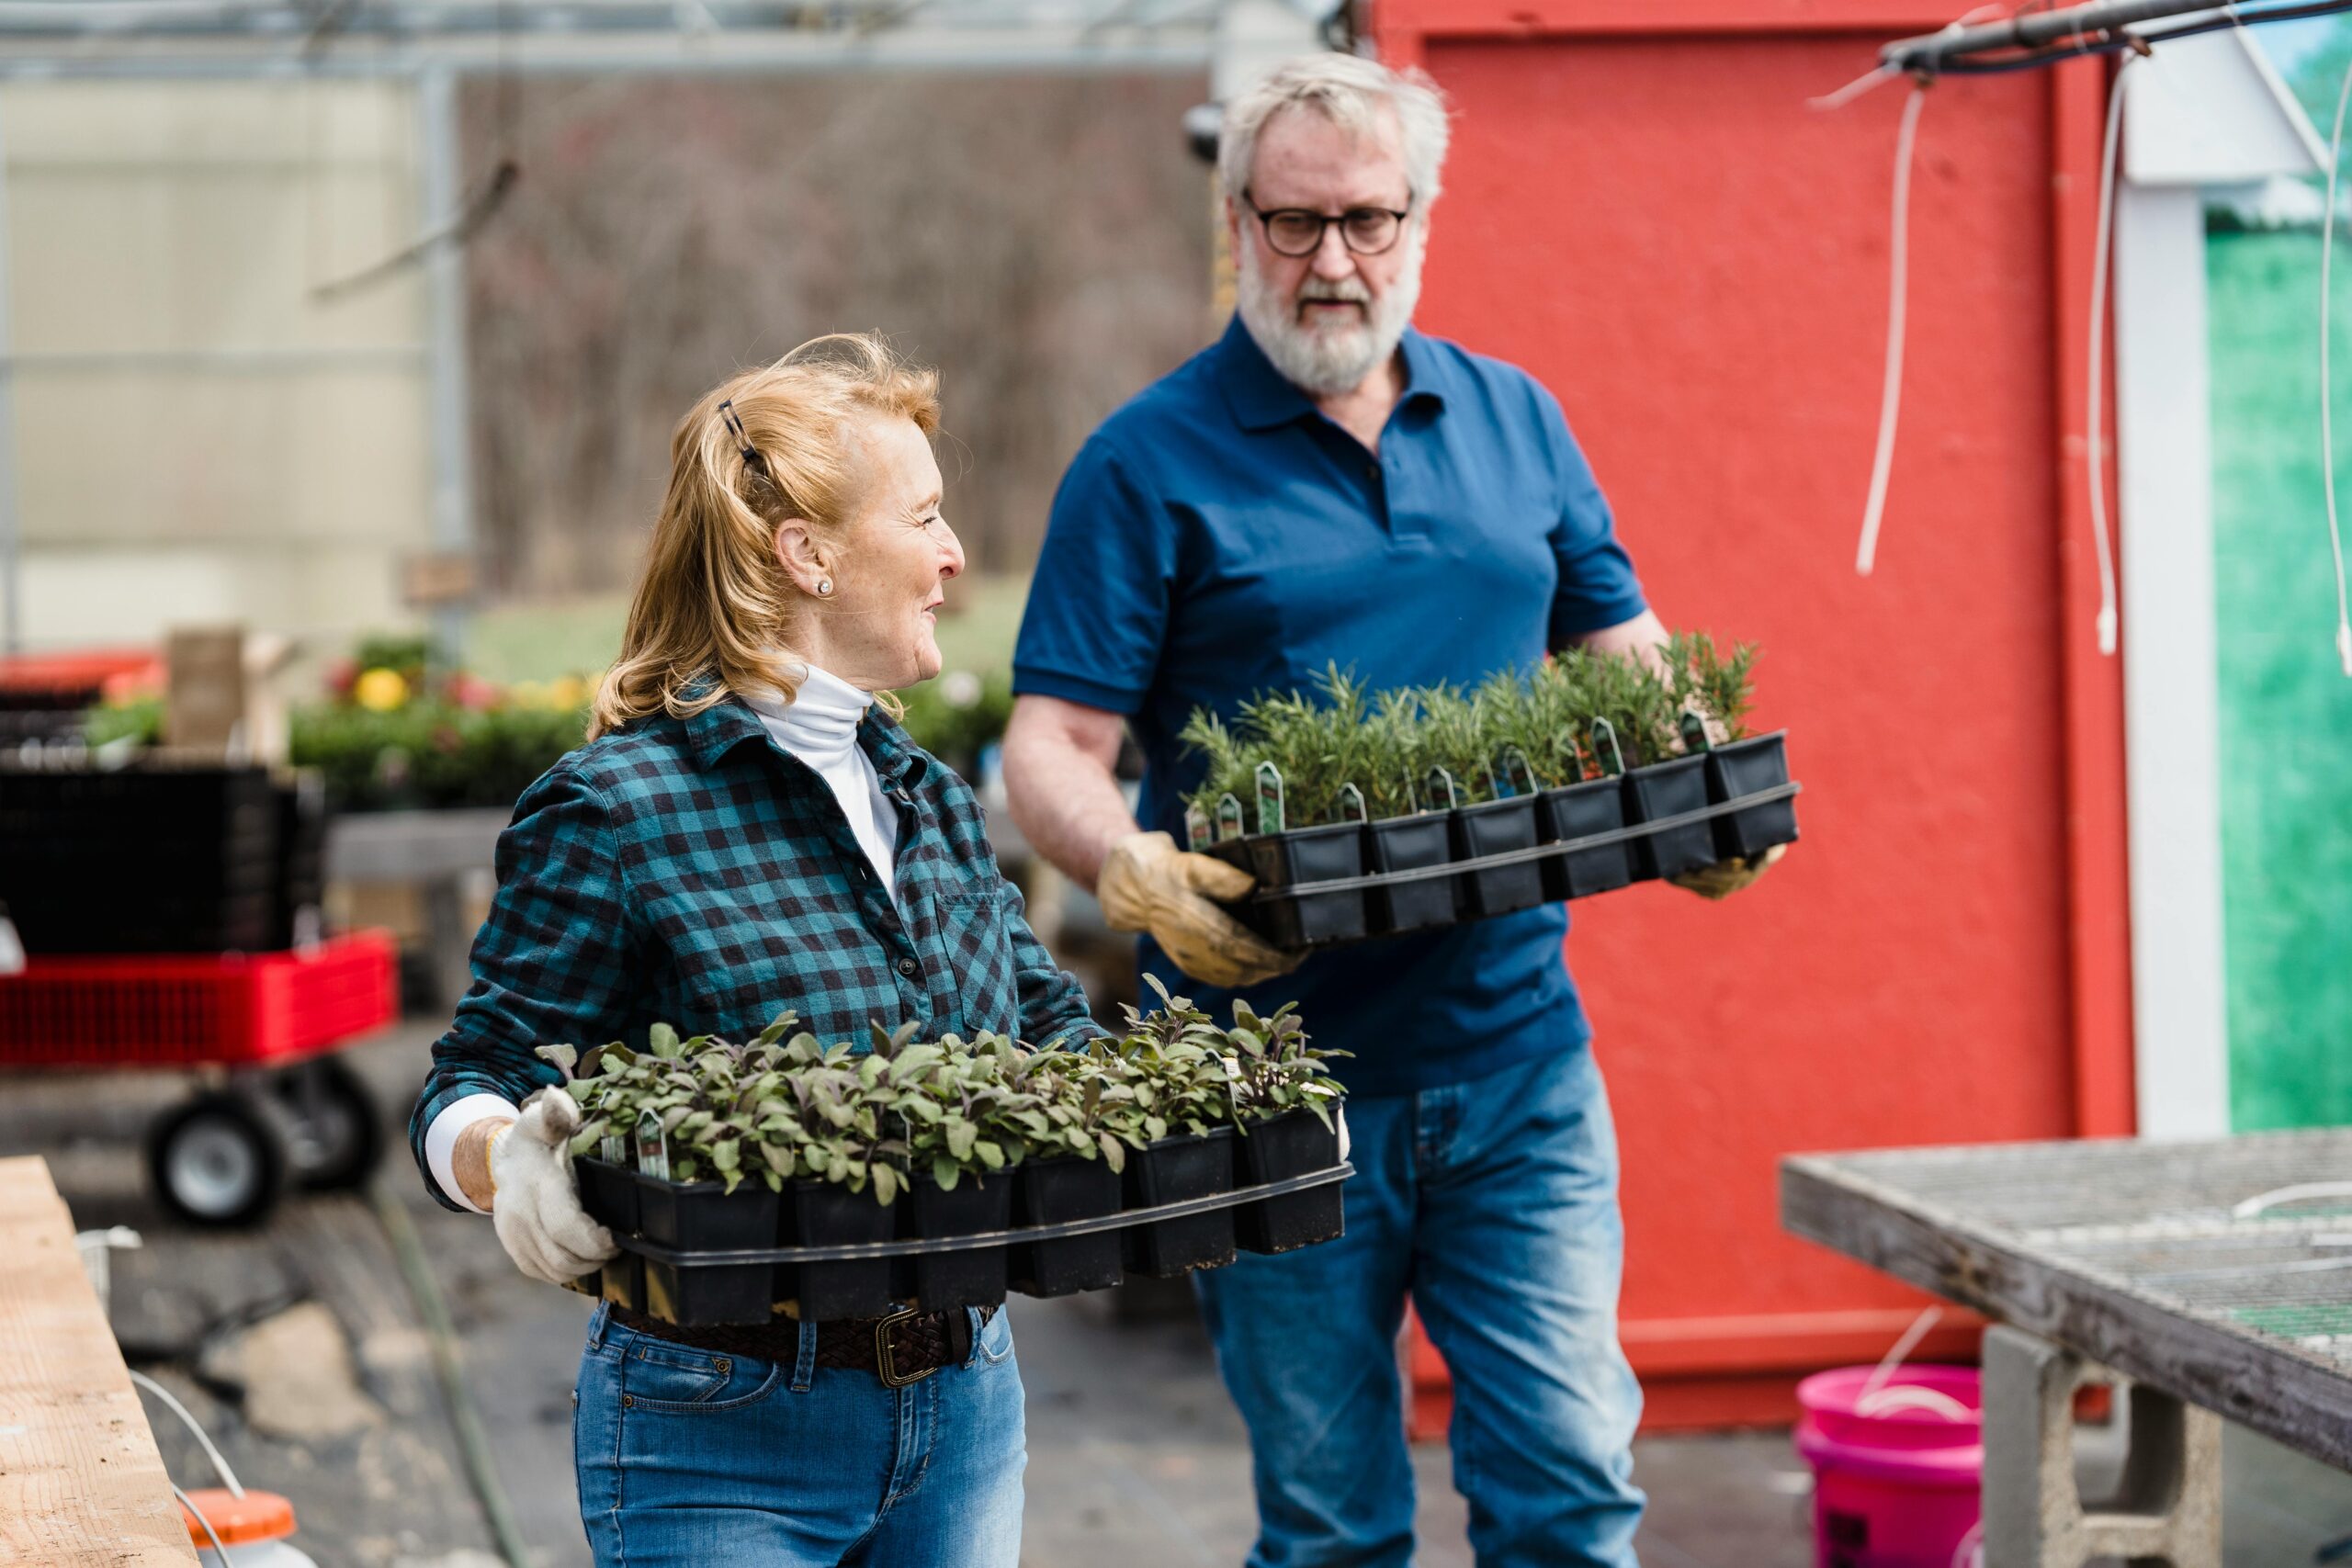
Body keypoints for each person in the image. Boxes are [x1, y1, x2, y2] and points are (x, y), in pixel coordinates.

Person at [1002, 53, 1783, 1568]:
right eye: (1293, 224)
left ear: (1423, 220)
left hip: (1516, 1061)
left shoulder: (1516, 422)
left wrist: (1697, 793)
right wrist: (1132, 869)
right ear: (1235, 223)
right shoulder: (1144, 463)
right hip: (1267, 1086)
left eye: (1369, 218)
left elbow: (1626, 654)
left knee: (1570, 1489)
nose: (1334, 261)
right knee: (1331, 1523)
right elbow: (1054, 743)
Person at [407, 334, 1100, 1568]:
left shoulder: (926, 797)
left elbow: (1049, 1035)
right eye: (928, 517)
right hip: (724, 1426)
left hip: (967, 1405)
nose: (953, 558)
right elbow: (476, 1067)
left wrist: (1233, 1099)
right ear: (809, 553)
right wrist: (499, 1156)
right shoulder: (619, 809)